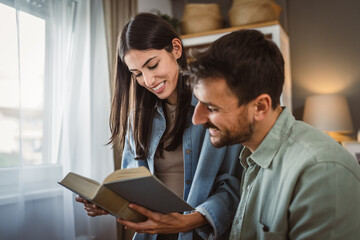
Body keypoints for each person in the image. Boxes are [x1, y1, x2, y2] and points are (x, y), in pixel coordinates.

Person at [76, 13, 243, 240]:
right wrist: (109, 203)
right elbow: (131, 181)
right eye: (137, 74)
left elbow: (235, 183)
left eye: (152, 65)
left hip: (200, 233)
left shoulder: (213, 108)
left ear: (176, 48)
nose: (148, 81)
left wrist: (188, 221)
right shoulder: (138, 117)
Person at [186, 29, 360, 239]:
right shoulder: (250, 154)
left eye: (212, 108)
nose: (197, 119)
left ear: (260, 107)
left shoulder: (322, 172)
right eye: (198, 102)